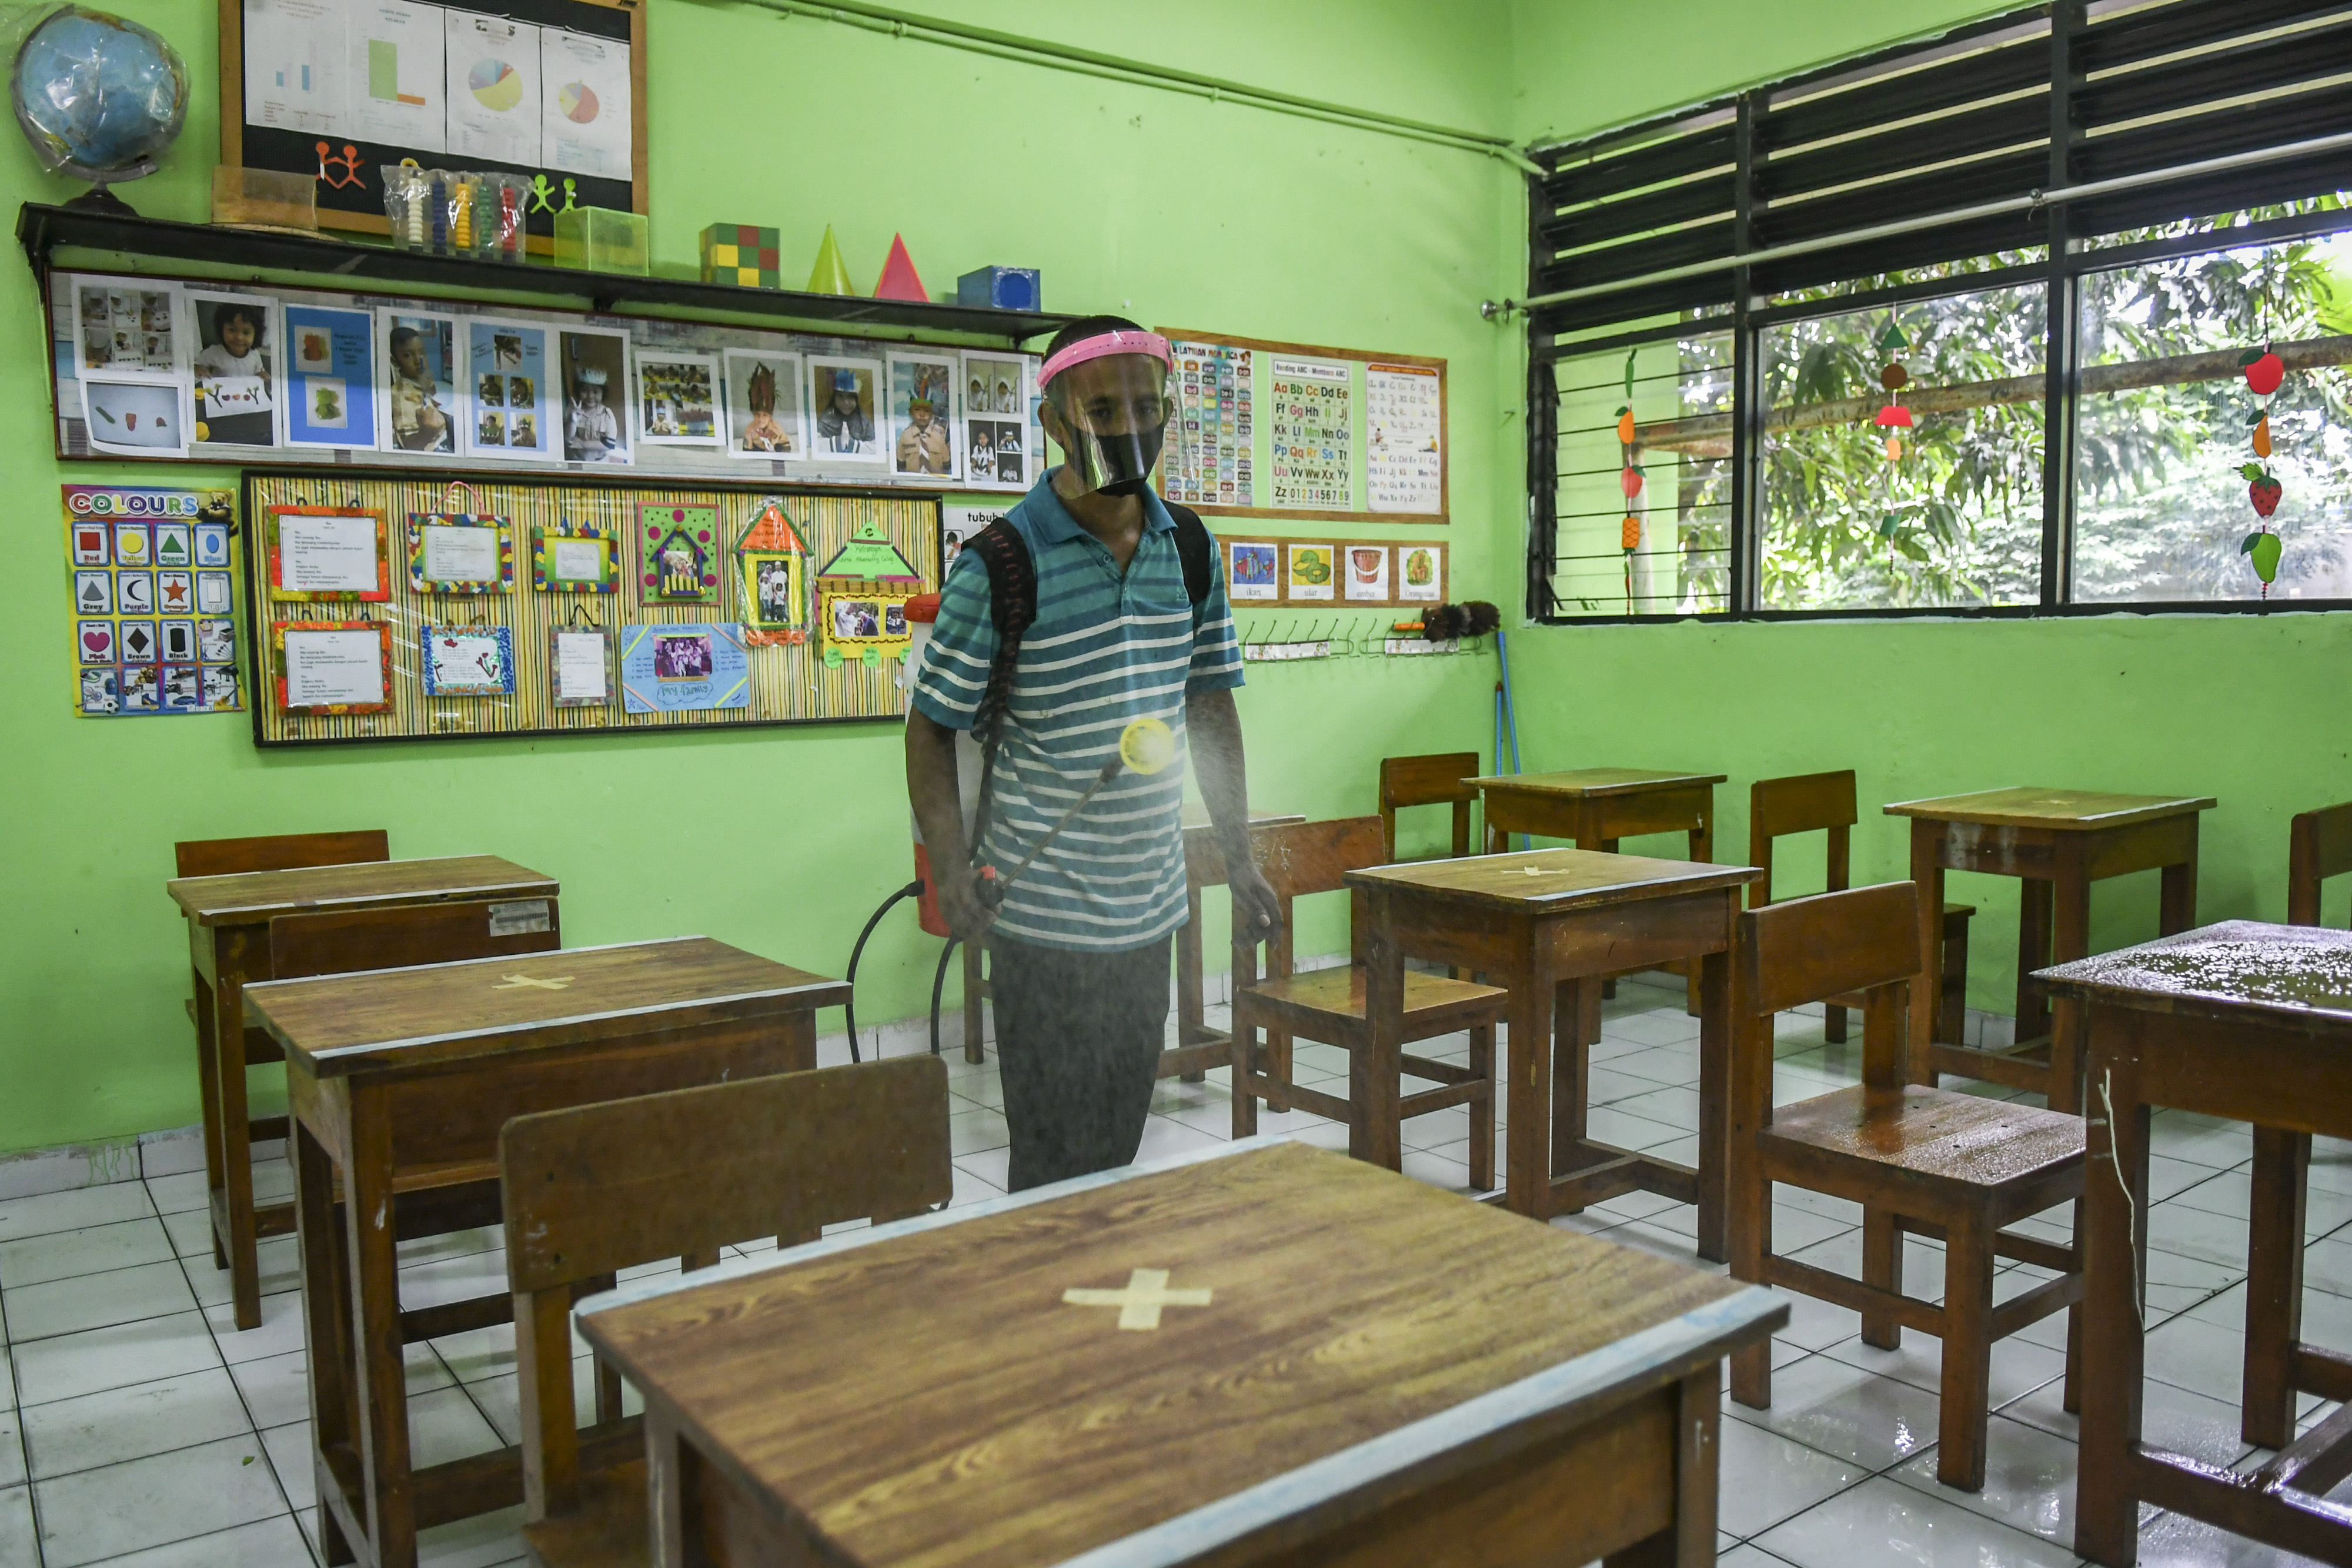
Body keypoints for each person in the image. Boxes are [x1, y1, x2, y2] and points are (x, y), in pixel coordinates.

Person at [907, 315, 1279, 1192]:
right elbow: (931, 727)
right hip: (1041, 920)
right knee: (1052, 1161)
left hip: (1149, 912)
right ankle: (1046, 1319)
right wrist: (950, 869)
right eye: (1103, 407)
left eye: (1146, 406)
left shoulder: (1187, 547)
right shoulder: (1002, 561)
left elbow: (1210, 704)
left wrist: (1241, 853)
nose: (1127, 426)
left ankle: (1099, 1317)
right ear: (1055, 419)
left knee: (1118, 1151)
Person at [192, 301, 273, 443]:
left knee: (247, 431)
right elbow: (197, 368)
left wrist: (263, 375)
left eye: (246, 332)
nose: (239, 337)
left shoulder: (255, 354)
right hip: (219, 406)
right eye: (232, 330)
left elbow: (259, 373)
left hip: (246, 406)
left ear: (256, 335)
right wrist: (199, 370)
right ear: (221, 330)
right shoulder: (213, 353)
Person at [386, 325, 450, 452]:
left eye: (422, 353)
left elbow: (431, 395)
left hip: (442, 437)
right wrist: (426, 433)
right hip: (433, 449)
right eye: (408, 355)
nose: (418, 361)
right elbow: (409, 445)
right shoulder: (401, 396)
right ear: (395, 361)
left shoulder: (418, 381)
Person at [565, 363, 621, 462]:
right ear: (579, 391)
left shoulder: (606, 414)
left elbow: (609, 444)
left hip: (600, 461)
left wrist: (583, 444)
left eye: (596, 392)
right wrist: (573, 421)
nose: (590, 396)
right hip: (576, 459)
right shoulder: (572, 409)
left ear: (603, 394)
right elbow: (568, 439)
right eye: (585, 391)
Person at [815, 367, 874, 454]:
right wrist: (837, 442)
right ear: (834, 398)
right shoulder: (825, 420)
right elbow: (816, 445)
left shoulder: (864, 422)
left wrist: (852, 445)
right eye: (841, 397)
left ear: (856, 400)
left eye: (850, 397)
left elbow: (875, 447)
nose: (846, 403)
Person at [895, 390, 952, 475]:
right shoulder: (905, 436)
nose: (922, 414)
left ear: (932, 414)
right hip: (911, 485)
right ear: (911, 412)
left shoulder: (938, 437)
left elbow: (946, 466)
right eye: (917, 410)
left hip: (936, 485)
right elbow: (900, 466)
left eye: (927, 411)